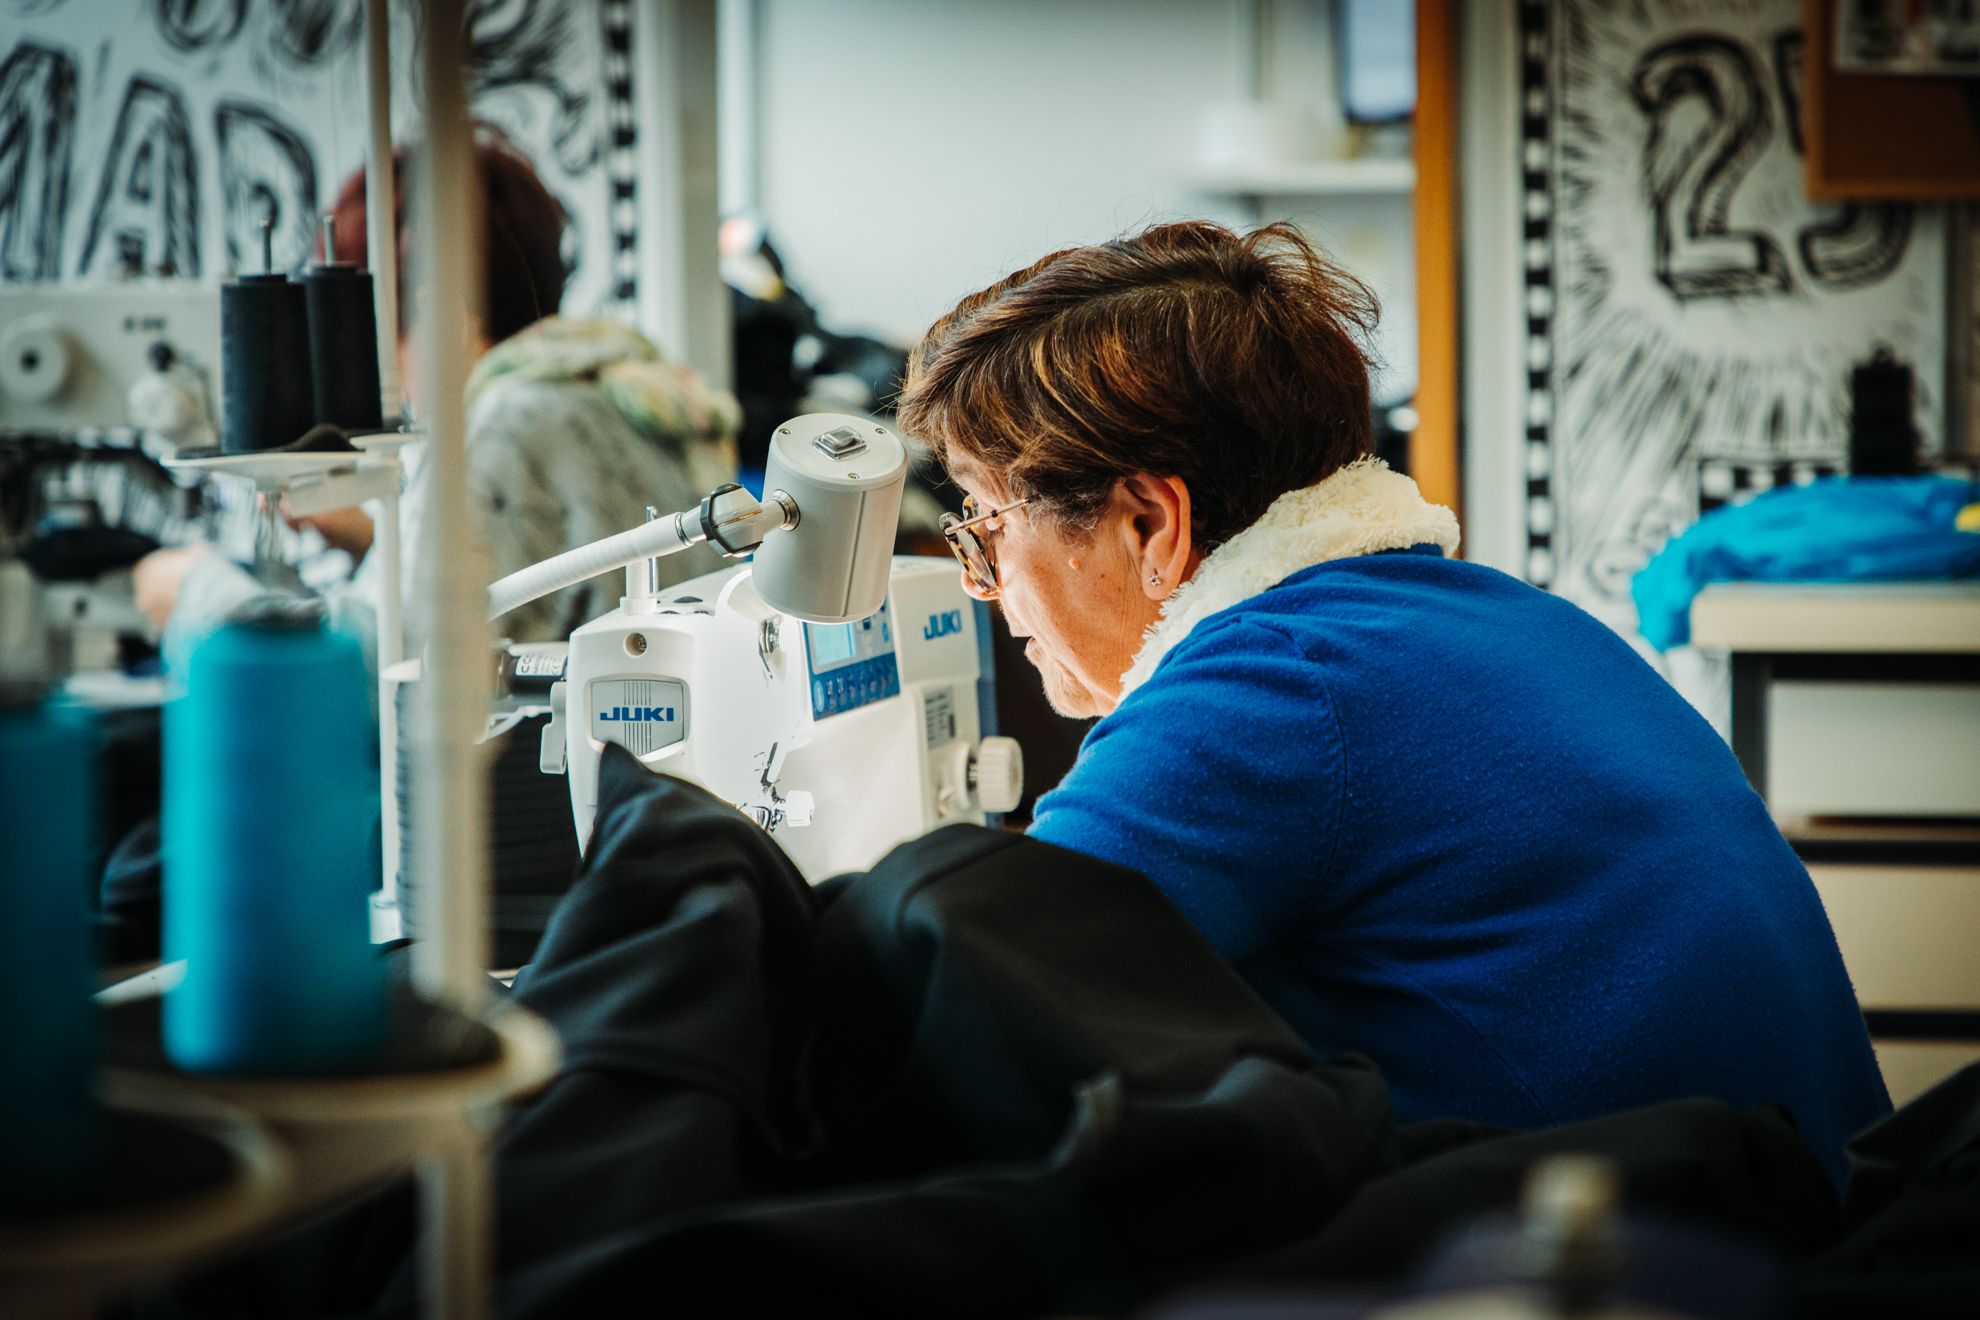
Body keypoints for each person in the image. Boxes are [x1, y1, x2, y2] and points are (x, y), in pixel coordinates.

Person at [895, 219, 1890, 1184]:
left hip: (1667, 1252)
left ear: (1152, 523)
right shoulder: (1497, 619)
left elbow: (978, 991)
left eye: (986, 525)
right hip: (1798, 1216)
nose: (983, 581)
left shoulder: (1272, 686)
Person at [135, 126, 740, 649]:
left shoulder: (509, 422)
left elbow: (385, 680)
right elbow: (527, 578)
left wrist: (197, 592)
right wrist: (373, 537)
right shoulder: (601, 389)